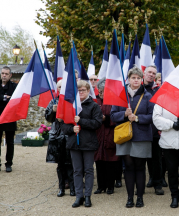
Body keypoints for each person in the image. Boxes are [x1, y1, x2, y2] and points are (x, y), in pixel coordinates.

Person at [111, 66, 154, 208]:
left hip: (141, 136)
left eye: (138, 78)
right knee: (128, 167)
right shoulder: (120, 95)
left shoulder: (148, 96)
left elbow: (152, 117)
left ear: (142, 80)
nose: (136, 80)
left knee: (140, 167)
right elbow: (113, 116)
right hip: (125, 136)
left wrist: (137, 118)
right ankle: (130, 197)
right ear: (128, 79)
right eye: (133, 78)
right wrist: (124, 114)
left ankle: (140, 197)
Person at [62, 80, 103, 208]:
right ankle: (79, 196)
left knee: (89, 170)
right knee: (77, 170)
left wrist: (81, 121)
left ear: (88, 91)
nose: (80, 92)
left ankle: (87, 196)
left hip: (88, 143)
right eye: (78, 90)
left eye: (83, 90)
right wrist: (71, 129)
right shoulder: (70, 105)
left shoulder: (94, 106)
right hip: (74, 143)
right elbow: (63, 126)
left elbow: (97, 123)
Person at [45, 80, 75, 197]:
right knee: (60, 165)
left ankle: (73, 188)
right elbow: (48, 117)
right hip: (57, 137)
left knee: (71, 164)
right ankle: (61, 188)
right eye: (59, 87)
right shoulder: (53, 101)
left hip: (69, 135)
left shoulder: (71, 100)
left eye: (63, 87)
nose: (61, 89)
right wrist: (53, 111)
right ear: (57, 89)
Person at [93, 78, 122, 195]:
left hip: (110, 134)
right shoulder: (95, 101)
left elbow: (118, 117)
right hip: (98, 135)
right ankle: (101, 186)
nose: (100, 93)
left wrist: (107, 118)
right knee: (99, 162)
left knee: (110, 162)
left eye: (103, 90)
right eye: (99, 90)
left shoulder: (115, 101)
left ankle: (110, 186)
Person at [0, 66, 18, 173]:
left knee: (10, 142)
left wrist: (0, 99)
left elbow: (14, 100)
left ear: (10, 75)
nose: (4, 75)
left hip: (10, 117)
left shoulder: (14, 86)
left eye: (6, 74)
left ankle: (9, 164)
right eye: (2, 73)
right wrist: (5, 97)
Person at [143, 65, 165, 194]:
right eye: (149, 72)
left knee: (156, 157)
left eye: (154, 73)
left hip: (155, 128)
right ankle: (150, 178)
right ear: (144, 73)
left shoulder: (158, 90)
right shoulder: (139, 89)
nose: (151, 75)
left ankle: (158, 183)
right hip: (142, 127)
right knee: (144, 157)